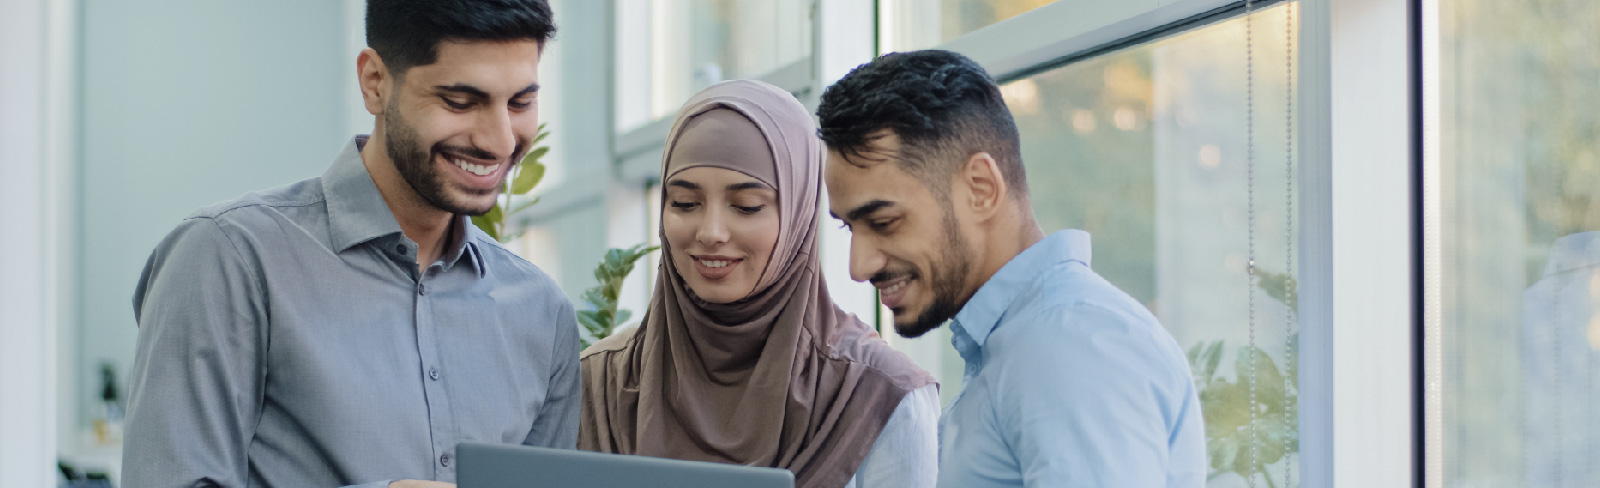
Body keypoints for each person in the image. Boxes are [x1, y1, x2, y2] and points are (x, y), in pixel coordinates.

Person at [123, 1, 577, 487]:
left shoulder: (542, 314)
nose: (500, 141)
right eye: (460, 102)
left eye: (520, 103)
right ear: (375, 82)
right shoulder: (228, 260)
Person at [816, 50, 1206, 487]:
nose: (858, 265)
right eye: (850, 227)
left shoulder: (1069, 344)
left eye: (884, 222)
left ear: (980, 189)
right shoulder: (1022, 343)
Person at [578, 80, 940, 488]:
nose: (711, 231)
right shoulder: (598, 383)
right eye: (684, 203)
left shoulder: (877, 394)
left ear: (800, 213)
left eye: (747, 206)